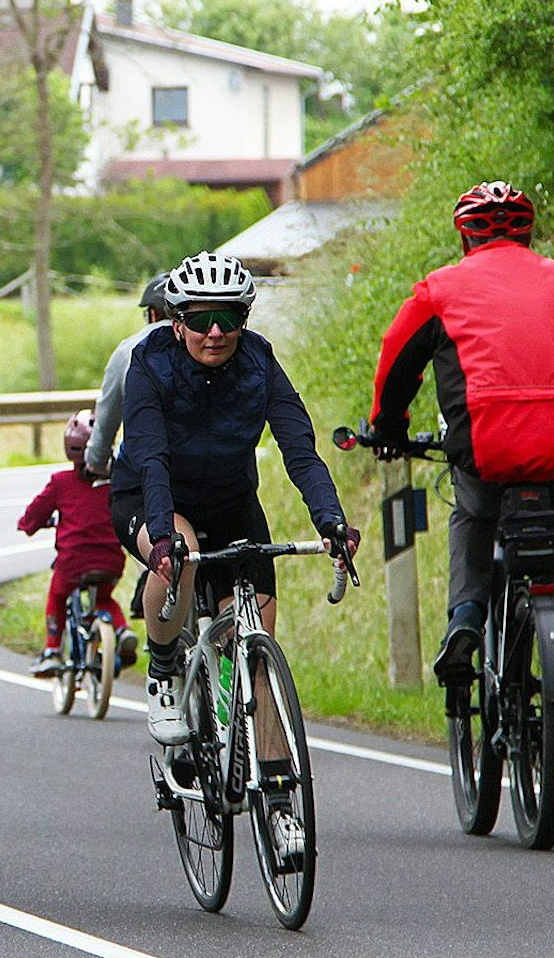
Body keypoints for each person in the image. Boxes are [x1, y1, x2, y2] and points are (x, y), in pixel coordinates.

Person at [369, 181, 554, 798]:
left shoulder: (440, 289)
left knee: (474, 516)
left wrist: (388, 427)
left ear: (465, 237)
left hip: (485, 449)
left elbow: (397, 359)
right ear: (529, 233)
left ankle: (466, 616)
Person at [110, 252, 358, 827]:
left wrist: (331, 520)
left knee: (259, 649)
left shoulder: (259, 362)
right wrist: (162, 537)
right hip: (151, 494)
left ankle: (279, 803)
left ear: (244, 319)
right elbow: (150, 456)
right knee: (181, 557)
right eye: (201, 320)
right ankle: (164, 668)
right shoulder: (149, 362)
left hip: (230, 504)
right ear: (177, 323)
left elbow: (299, 450)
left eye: (229, 318)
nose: (215, 332)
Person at [19, 410, 136, 676]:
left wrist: (27, 524)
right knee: (104, 598)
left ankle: (52, 650)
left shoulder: (60, 483)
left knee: (58, 594)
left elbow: (35, 514)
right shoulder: (114, 483)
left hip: (72, 562)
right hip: (111, 560)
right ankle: (122, 630)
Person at [87, 272, 173, 621]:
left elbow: (106, 418)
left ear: (152, 313)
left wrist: (96, 461)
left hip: (141, 475)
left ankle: (159, 637)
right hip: (210, 474)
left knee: (160, 548)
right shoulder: (209, 348)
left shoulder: (129, 350)